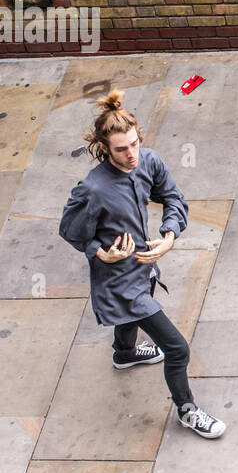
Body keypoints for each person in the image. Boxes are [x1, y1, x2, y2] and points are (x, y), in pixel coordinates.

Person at [58, 91, 226, 438]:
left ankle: (125, 354)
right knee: (177, 348)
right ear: (104, 148)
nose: (130, 154)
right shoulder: (92, 189)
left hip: (145, 268)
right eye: (121, 149)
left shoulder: (148, 161)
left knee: (132, 325)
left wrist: (169, 234)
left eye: (134, 144)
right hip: (120, 286)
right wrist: (99, 253)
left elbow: (174, 197)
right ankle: (187, 410)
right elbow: (69, 230)